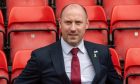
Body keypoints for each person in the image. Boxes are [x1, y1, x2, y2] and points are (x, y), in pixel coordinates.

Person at [14, 4, 123, 84]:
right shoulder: (40, 57)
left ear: (87, 24)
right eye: (68, 22)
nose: (73, 28)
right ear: (60, 24)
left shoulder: (102, 53)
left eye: (78, 22)